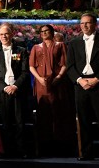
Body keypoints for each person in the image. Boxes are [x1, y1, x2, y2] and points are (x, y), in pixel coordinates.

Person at [29, 24, 76, 157]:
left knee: (59, 111)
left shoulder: (60, 45)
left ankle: (61, 144)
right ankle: (45, 145)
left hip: (58, 83)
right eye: (42, 31)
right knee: (44, 113)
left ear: (52, 32)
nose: (44, 33)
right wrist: (38, 79)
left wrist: (59, 77)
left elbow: (65, 63)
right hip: (41, 84)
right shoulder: (35, 47)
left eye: (46, 31)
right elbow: (31, 66)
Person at [66, 13, 99, 160]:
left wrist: (97, 79)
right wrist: (79, 80)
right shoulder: (74, 43)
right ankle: (86, 153)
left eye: (88, 23)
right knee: (83, 120)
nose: (85, 26)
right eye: (82, 23)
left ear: (95, 24)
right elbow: (70, 66)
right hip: (81, 85)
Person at [0, 23, 30, 158]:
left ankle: (22, 150)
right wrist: (5, 87)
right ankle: (7, 150)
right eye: (1, 34)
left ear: (12, 34)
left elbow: (25, 71)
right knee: (6, 122)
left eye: (6, 33)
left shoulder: (21, 50)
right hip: (3, 92)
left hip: (18, 90)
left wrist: (15, 86)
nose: (4, 36)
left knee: (20, 122)